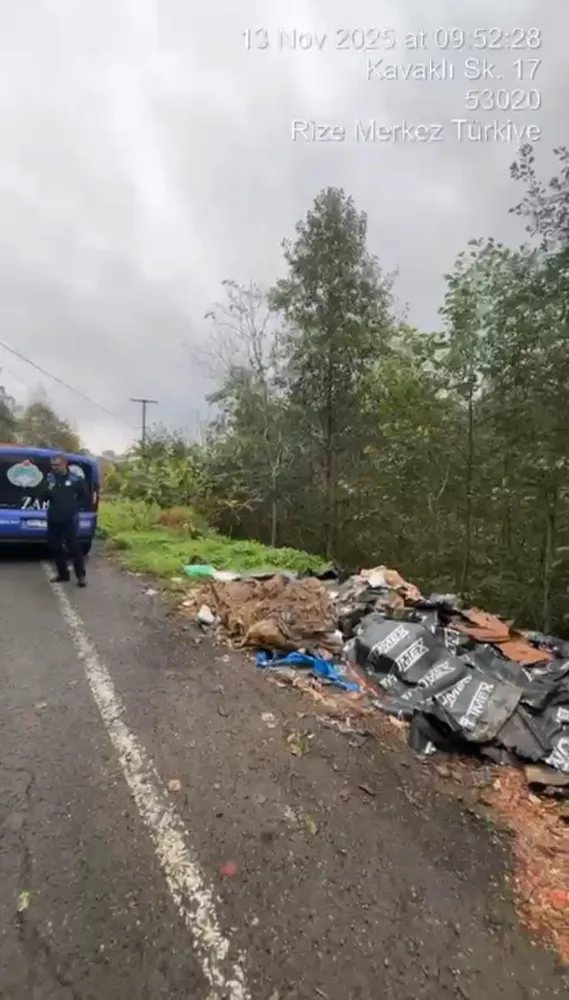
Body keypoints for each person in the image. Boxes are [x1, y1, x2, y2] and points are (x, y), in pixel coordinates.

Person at [42, 453, 87, 587]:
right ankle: (63, 574)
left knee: (74, 548)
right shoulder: (49, 479)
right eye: (53, 465)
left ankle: (81, 576)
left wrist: (73, 507)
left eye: (57, 465)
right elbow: (43, 498)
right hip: (53, 519)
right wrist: (46, 490)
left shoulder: (75, 480)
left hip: (69, 520)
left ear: (64, 464)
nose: (54, 468)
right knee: (55, 548)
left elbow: (84, 497)